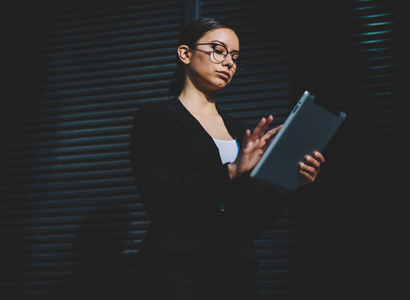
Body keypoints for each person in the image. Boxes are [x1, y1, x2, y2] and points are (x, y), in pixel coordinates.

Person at [130, 17, 325, 300]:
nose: (229, 63)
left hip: (236, 271)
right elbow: (159, 200)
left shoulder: (240, 129)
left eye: (234, 57)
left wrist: (287, 181)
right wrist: (231, 171)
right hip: (177, 270)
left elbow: (251, 219)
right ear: (185, 53)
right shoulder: (155, 117)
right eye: (218, 50)